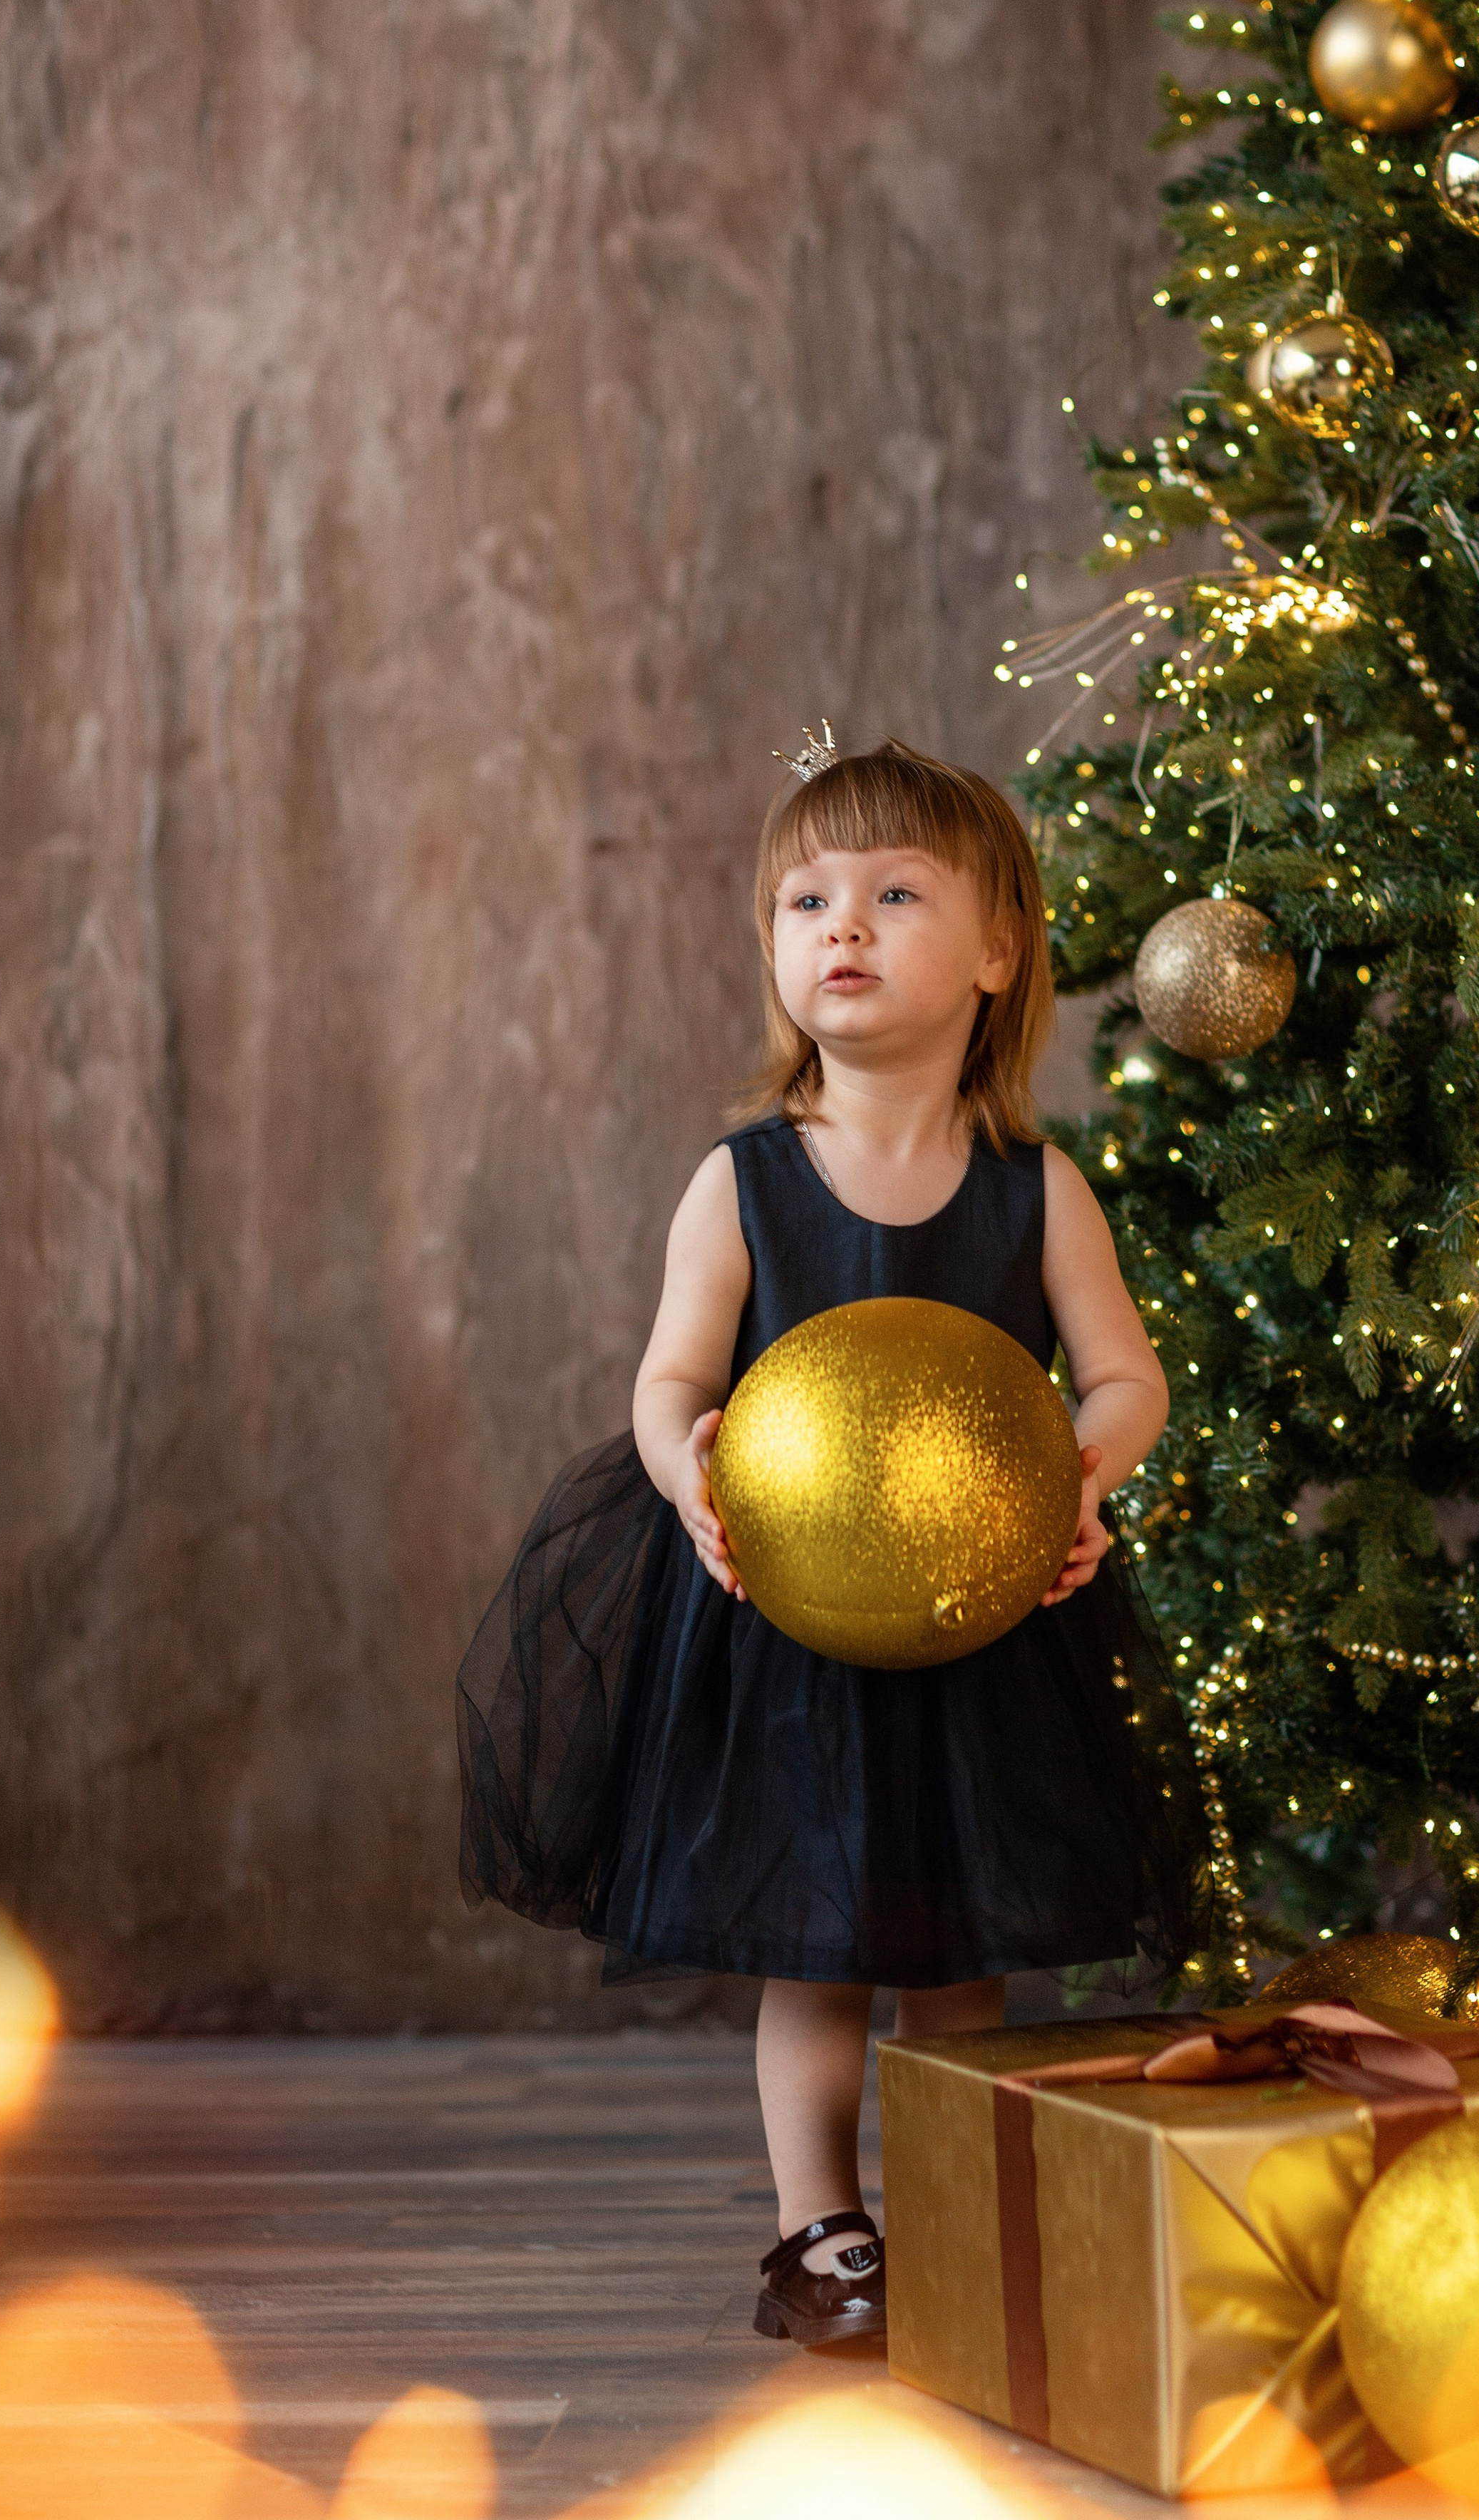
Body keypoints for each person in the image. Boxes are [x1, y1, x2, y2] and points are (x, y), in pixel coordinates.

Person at [458, 735, 1208, 2349]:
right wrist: (688, 1468)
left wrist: (1085, 1475)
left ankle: (946, 2195)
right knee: (815, 1949)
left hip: (987, 1627)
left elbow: (1125, 1375)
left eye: (890, 893)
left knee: (962, 1946)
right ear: (775, 950)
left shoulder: (1032, 1188)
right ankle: (819, 2228)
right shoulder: (741, 1186)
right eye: (804, 899)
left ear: (998, 954)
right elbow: (669, 1378)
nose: (839, 926)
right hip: (781, 1633)